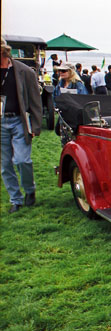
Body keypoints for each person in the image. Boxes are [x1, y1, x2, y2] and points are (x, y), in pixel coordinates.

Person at [0, 38, 42, 213]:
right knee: (5, 164)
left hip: (19, 120)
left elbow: (35, 101)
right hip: (1, 123)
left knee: (22, 160)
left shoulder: (25, 72)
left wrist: (36, 125)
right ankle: (15, 199)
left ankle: (29, 190)